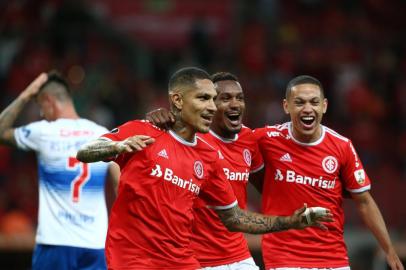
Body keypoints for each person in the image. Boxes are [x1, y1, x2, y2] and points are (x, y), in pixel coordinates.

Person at [76, 67, 332, 270]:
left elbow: (235, 218)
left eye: (212, 99)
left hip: (181, 261)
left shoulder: (209, 156)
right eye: (203, 98)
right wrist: (117, 148)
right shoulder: (143, 131)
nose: (212, 107)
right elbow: (85, 152)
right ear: (177, 100)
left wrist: (290, 221)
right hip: (133, 259)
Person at [253, 75, 404, 270]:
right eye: (299, 102)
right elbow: (228, 149)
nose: (307, 108)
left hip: (334, 258)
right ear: (286, 106)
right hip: (285, 257)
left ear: (324, 106)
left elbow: (365, 202)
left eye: (314, 102)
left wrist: (389, 249)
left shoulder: (341, 146)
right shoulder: (266, 139)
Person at [0, 71, 120, 270]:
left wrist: (26, 94)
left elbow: (1, 132)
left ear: (49, 101)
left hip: (55, 242)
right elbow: (120, 185)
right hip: (95, 244)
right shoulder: (103, 135)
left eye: (40, 107)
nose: (41, 114)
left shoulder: (43, 131)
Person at [146, 71, 264, 269]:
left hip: (239, 256)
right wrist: (158, 118)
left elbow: (268, 188)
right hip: (196, 259)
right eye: (224, 98)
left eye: (240, 98)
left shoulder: (249, 140)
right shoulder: (186, 137)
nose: (235, 104)